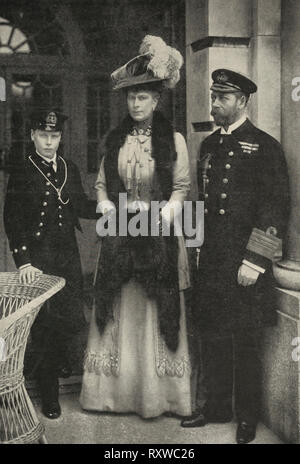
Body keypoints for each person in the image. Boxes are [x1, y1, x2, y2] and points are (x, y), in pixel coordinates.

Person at [80, 35, 192, 419]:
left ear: (156, 100)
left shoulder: (174, 140)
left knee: (155, 307)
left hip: (158, 234)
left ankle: (158, 397)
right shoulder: (115, 140)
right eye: (130, 98)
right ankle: (115, 395)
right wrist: (107, 203)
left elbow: (181, 188)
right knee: (117, 304)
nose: (135, 104)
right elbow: (99, 184)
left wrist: (166, 212)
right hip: (120, 234)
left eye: (142, 97)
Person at [181, 69, 290, 443]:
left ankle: (246, 417)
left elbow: (275, 209)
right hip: (212, 261)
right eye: (213, 97)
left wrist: (255, 262)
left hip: (245, 264)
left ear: (243, 102)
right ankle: (215, 408)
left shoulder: (265, 146)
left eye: (223, 98)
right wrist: (194, 246)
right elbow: (201, 201)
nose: (215, 104)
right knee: (212, 336)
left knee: (245, 343)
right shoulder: (209, 145)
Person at [4, 109, 98, 419]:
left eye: (54, 136)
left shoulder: (68, 168)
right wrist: (24, 261)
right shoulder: (22, 169)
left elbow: (82, 205)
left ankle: (48, 365)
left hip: (67, 256)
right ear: (32, 135)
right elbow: (12, 219)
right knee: (45, 325)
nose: (48, 142)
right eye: (43, 135)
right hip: (38, 259)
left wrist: (110, 207)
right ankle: (49, 393)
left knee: (71, 320)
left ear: (60, 137)